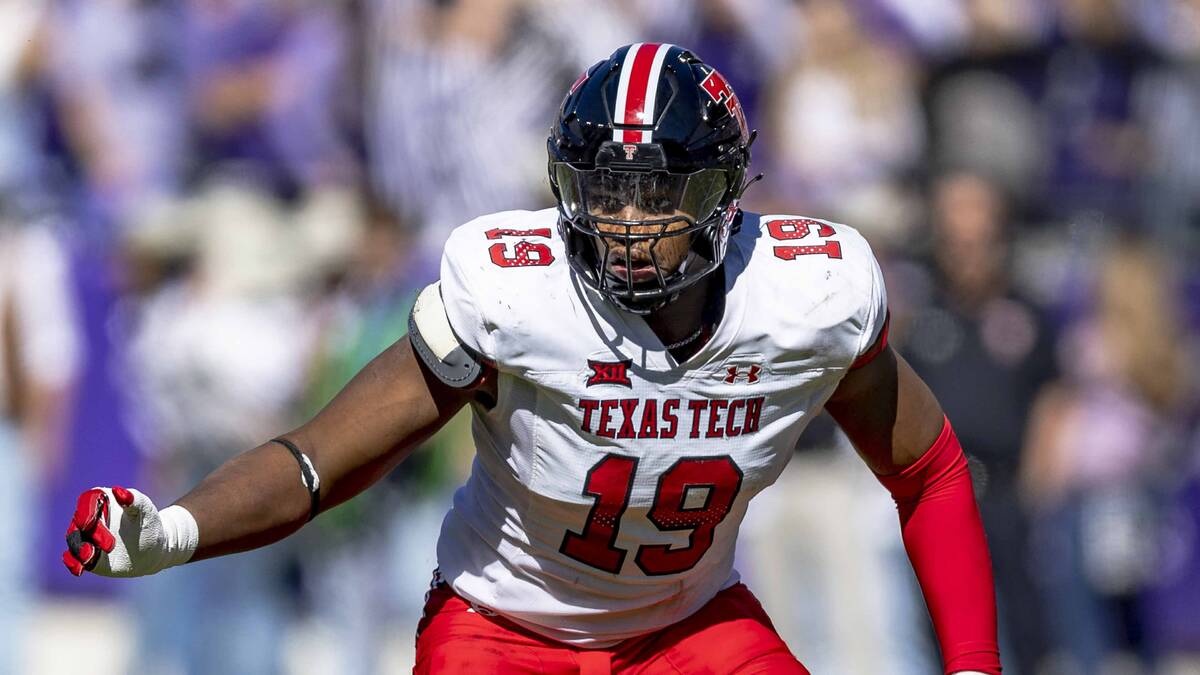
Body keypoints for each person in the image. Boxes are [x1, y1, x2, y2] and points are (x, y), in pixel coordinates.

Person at [63, 43, 1001, 674]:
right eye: (605, 188)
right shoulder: (519, 290)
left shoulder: (808, 293)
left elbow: (927, 468)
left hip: (687, 627)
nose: (625, 220)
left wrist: (972, 665)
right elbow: (317, 461)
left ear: (720, 193)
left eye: (655, 191)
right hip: (502, 633)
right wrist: (174, 530)